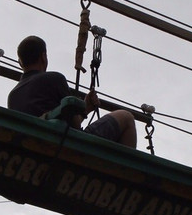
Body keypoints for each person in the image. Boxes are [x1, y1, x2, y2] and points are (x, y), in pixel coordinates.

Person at [7, 35, 137, 148]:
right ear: (43, 56)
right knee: (126, 117)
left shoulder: (12, 96)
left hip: (35, 148)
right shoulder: (54, 78)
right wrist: (83, 110)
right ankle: (126, 173)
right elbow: (74, 126)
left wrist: (86, 108)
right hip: (67, 145)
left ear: (20, 62)